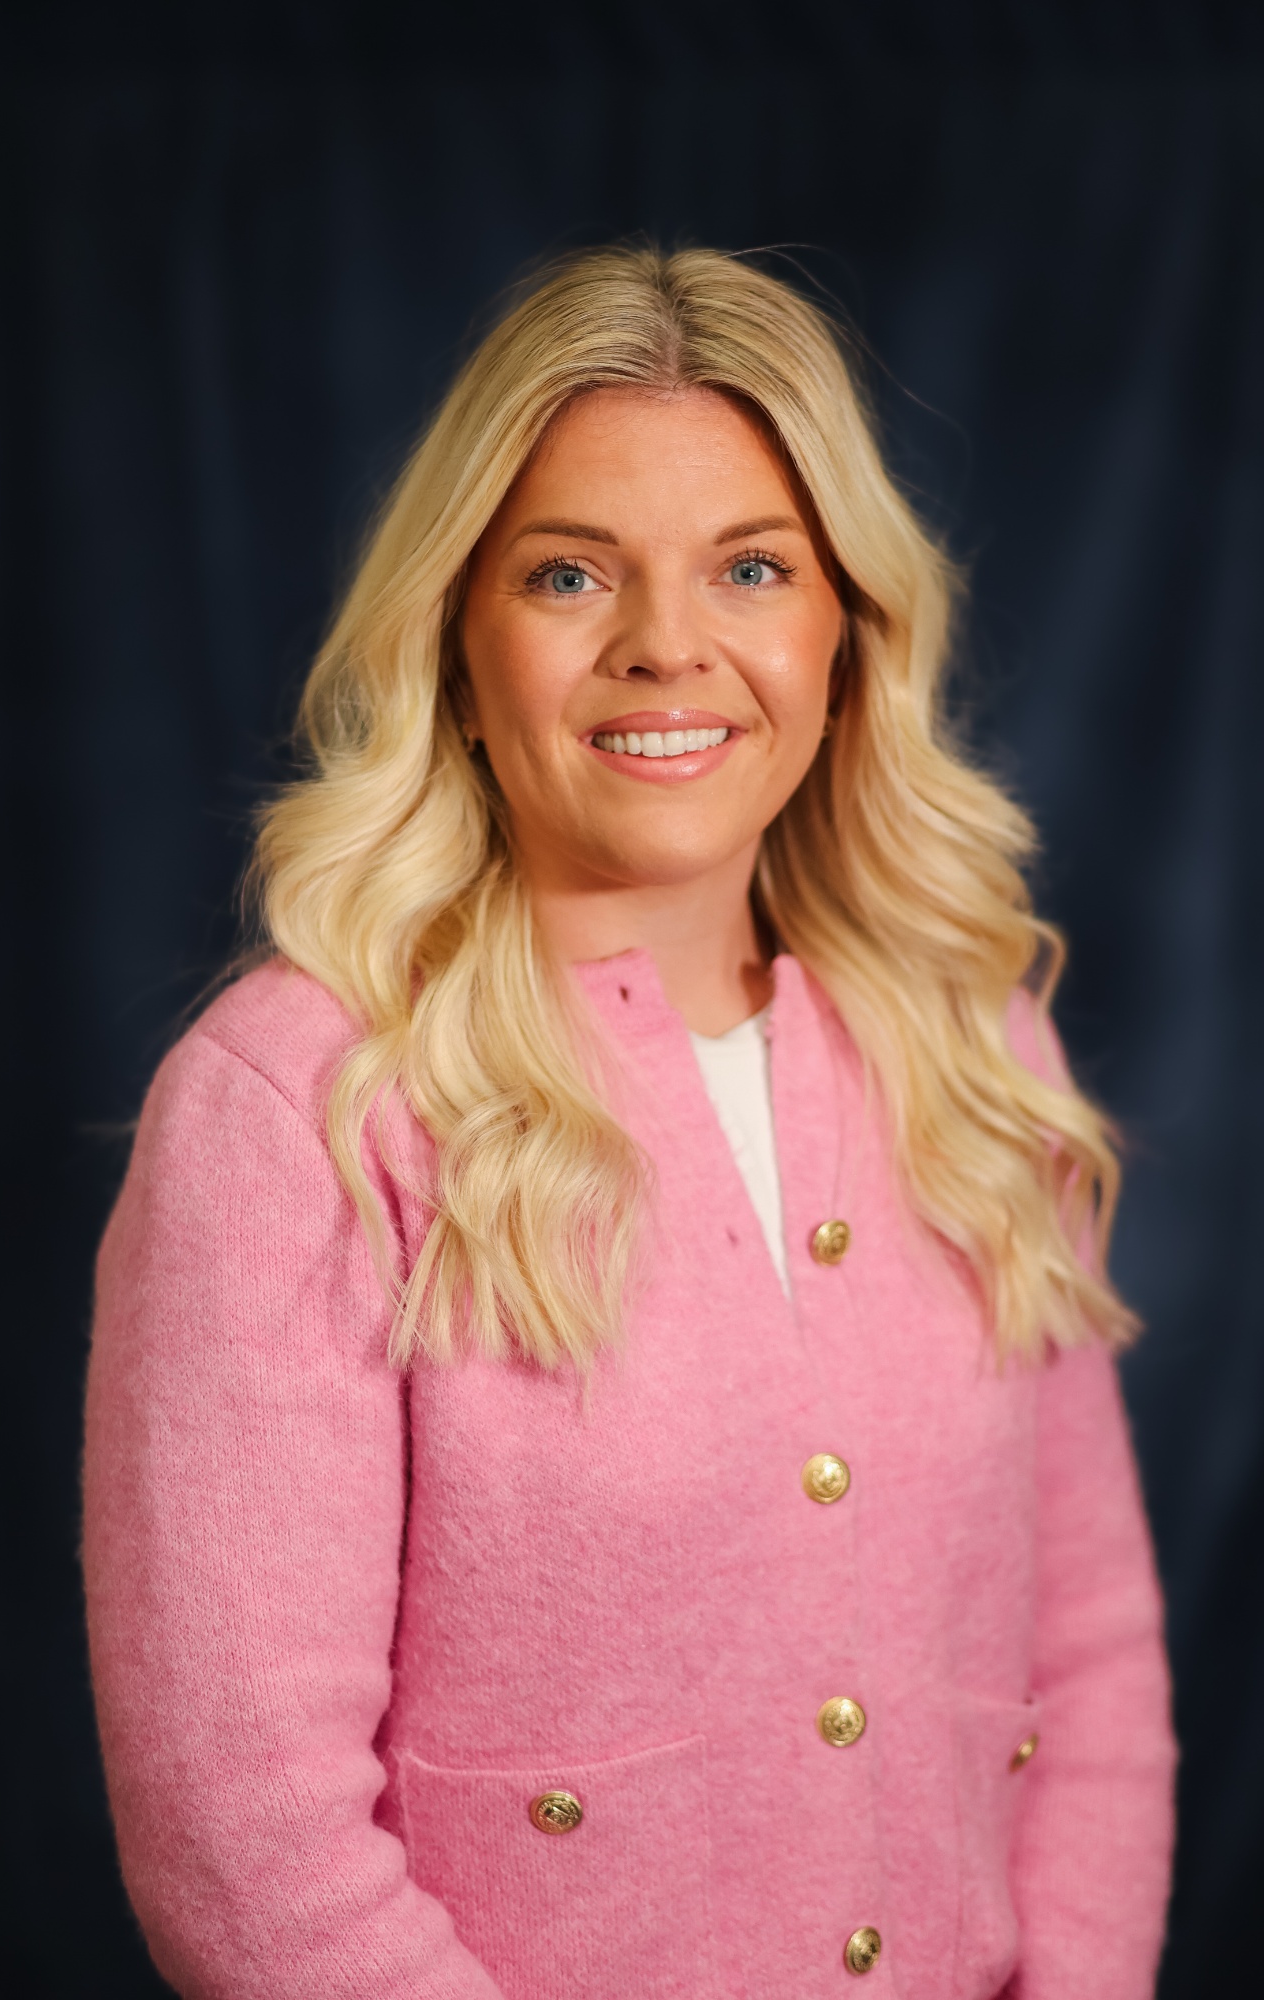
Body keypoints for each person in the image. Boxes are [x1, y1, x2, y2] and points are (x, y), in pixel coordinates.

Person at [83, 246, 1175, 2000]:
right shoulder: (297, 1105)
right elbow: (246, 1837)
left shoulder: (977, 1050)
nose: (668, 643)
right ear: (459, 643)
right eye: (568, 573)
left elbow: (1093, 1665)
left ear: (843, 637)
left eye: (751, 567)